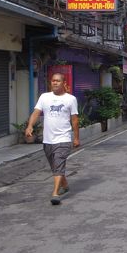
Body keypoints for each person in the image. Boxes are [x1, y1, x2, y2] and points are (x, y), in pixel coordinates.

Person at [25, 73, 79, 205]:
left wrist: (76, 138)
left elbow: (75, 120)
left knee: (59, 163)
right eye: (53, 81)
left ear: (63, 83)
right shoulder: (44, 97)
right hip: (48, 140)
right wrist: (30, 126)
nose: (54, 83)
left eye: (58, 81)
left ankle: (55, 192)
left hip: (63, 138)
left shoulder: (70, 99)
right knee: (55, 166)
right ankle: (65, 185)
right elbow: (36, 112)